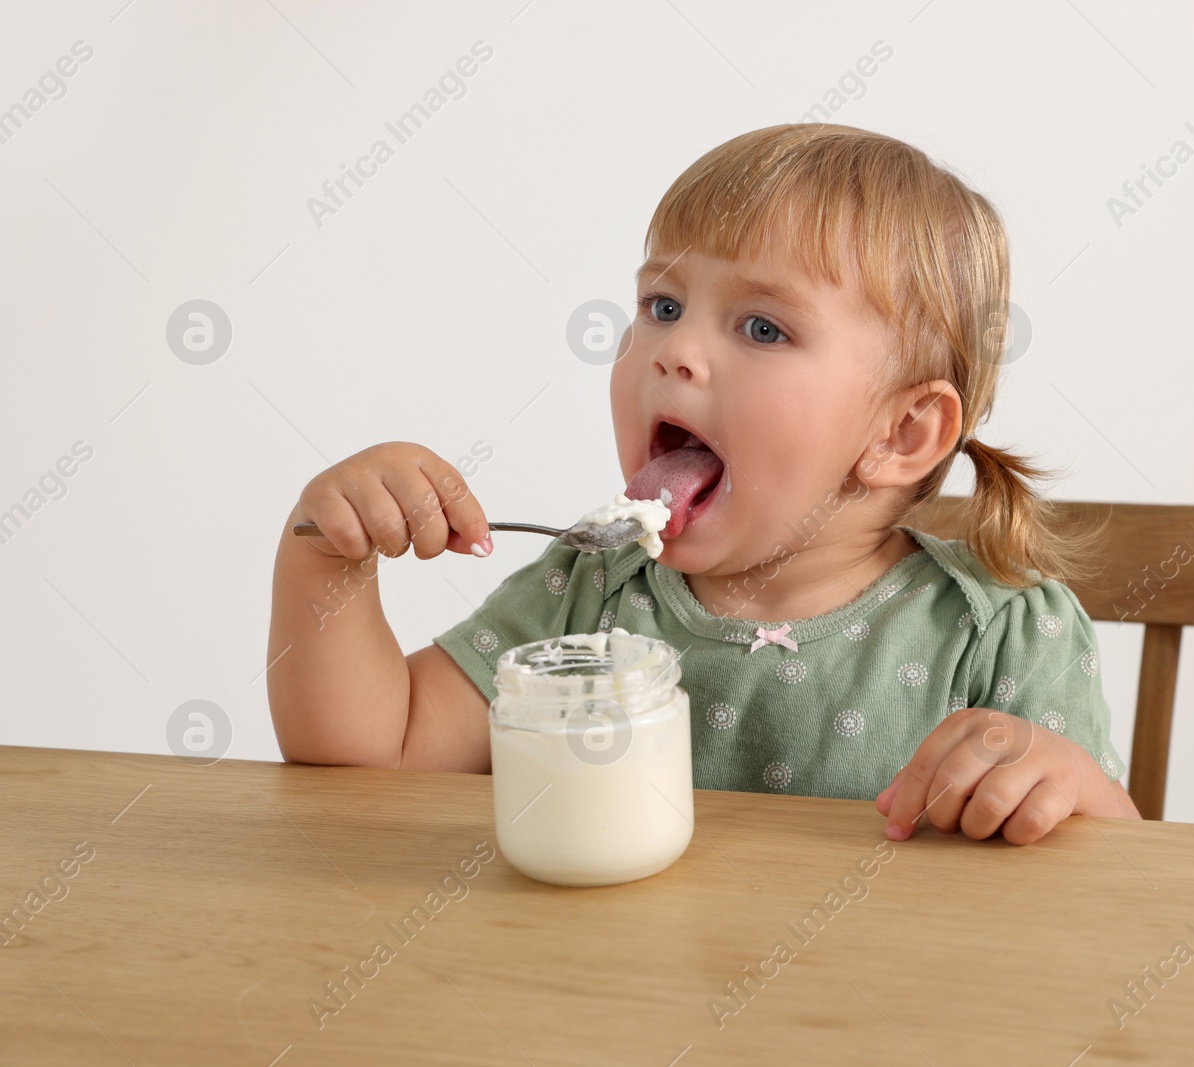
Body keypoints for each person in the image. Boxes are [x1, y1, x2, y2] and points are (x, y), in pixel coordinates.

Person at [268, 123, 1140, 845]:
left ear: (900, 433)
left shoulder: (997, 630)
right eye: (663, 305)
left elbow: (1117, 867)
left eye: (762, 326)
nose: (674, 350)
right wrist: (326, 557)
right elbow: (377, 754)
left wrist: (1060, 780)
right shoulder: (592, 597)